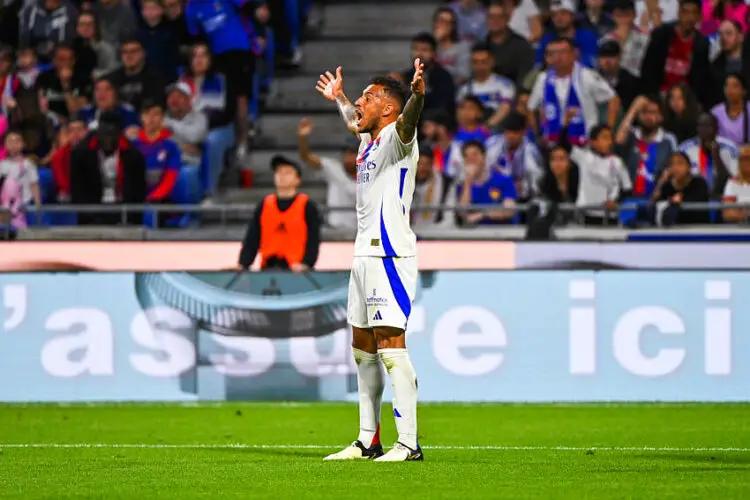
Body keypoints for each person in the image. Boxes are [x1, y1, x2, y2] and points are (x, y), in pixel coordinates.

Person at [315, 60, 424, 461]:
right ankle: (367, 441)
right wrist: (341, 99)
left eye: (368, 97)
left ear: (389, 109)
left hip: (389, 253)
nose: (359, 103)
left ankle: (409, 444)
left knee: (392, 348)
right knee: (363, 350)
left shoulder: (399, 137)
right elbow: (353, 121)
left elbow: (411, 120)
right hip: (362, 254)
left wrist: (418, 95)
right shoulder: (369, 141)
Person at [528, 37, 619, 147]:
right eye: (552, 53)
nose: (557, 57)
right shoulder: (542, 79)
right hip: (553, 147)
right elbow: (531, 108)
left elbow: (613, 99)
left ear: (573, 54)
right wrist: (538, 134)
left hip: (585, 144)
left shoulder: (587, 75)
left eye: (562, 52)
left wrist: (607, 132)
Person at [237, 155, 321, 270]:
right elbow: (252, 238)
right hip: (268, 268)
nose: (281, 176)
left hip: (296, 270)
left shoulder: (307, 206)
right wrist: (243, 264)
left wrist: (307, 264)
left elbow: (313, 239)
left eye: (287, 172)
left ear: (297, 180)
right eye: (278, 172)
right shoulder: (264, 205)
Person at [70, 111, 147, 224]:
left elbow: (138, 193)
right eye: (104, 133)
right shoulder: (80, 154)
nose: (108, 138)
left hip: (123, 211)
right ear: (98, 132)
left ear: (119, 134)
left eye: (111, 134)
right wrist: (91, 217)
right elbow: (78, 192)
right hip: (91, 212)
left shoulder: (134, 156)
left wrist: (129, 218)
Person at [640, 0, 718, 110]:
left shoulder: (701, 44)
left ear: (699, 16)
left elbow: (700, 80)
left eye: (694, 13)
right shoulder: (661, 35)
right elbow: (648, 70)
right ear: (678, 13)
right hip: (659, 95)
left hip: (685, 99)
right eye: (685, 12)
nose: (689, 17)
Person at [560, 109, 632, 225]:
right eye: (604, 138)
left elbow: (627, 188)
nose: (608, 142)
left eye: (610, 138)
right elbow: (563, 143)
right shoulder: (583, 157)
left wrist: (616, 202)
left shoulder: (617, 162)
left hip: (609, 215)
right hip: (586, 213)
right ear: (593, 142)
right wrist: (566, 123)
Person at [297, 117, 357, 230]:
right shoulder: (334, 167)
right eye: (347, 153)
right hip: (333, 229)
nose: (348, 158)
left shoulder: (369, 174)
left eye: (353, 154)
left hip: (356, 232)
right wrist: (302, 137)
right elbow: (306, 156)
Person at [615, 94, 678, 198]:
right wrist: (634, 109)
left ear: (661, 116)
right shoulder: (631, 135)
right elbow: (618, 141)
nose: (648, 117)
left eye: (653, 112)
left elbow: (671, 169)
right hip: (627, 199)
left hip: (655, 200)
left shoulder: (668, 140)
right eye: (644, 112)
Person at [450, 139, 518, 225]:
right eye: (466, 156)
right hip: (472, 234)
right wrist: (468, 181)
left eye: (475, 154)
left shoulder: (504, 180)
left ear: (484, 157)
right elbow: (462, 213)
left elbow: (510, 211)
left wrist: (483, 214)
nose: (471, 159)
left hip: (500, 232)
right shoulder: (461, 185)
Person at [456, 42, 515, 129]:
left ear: (492, 62)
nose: (480, 66)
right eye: (476, 62)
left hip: (497, 129)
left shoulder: (504, 84)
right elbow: (460, 114)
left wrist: (487, 127)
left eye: (484, 62)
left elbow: (505, 107)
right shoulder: (464, 89)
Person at [133, 99, 182, 203]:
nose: (151, 118)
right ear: (141, 117)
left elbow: (171, 177)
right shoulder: (132, 145)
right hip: (136, 199)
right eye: (147, 114)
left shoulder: (171, 146)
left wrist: (154, 198)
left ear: (162, 118)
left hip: (162, 200)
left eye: (155, 114)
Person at [679, 112, 738, 196]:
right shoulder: (685, 149)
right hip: (693, 199)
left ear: (717, 128)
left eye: (708, 126)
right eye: (701, 126)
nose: (704, 130)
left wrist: (717, 157)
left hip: (722, 198)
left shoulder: (730, 148)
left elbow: (732, 181)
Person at [649, 151, 710, 224]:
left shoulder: (699, 183)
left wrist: (676, 202)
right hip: (672, 230)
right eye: (671, 164)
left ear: (689, 167)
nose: (675, 167)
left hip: (698, 228)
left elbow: (695, 207)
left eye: (680, 163)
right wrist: (660, 183)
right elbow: (653, 205)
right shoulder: (666, 186)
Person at [537, 0, 599, 68]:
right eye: (554, 15)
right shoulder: (546, 39)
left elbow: (591, 62)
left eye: (563, 13)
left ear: (573, 16)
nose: (559, 18)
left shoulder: (587, 36)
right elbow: (539, 64)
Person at [484, 2, 534, 85]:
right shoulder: (481, 46)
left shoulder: (521, 45)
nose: (495, 21)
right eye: (491, 17)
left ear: (507, 19)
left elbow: (525, 76)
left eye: (499, 17)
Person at [601, 0, 650, 78]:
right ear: (613, 16)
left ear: (634, 15)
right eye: (619, 15)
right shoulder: (606, 40)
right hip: (615, 82)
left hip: (640, 82)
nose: (623, 19)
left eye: (626, 15)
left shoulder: (646, 37)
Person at [164, 82, 208, 167]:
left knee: (187, 173)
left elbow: (194, 136)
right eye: (171, 96)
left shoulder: (200, 117)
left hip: (189, 163)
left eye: (179, 97)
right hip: (165, 163)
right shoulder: (162, 118)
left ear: (189, 100)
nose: (174, 100)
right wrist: (181, 147)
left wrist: (170, 124)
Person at [50, 113, 87, 202]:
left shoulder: (95, 150)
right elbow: (62, 182)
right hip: (69, 197)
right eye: (72, 130)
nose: (76, 134)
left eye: (79, 129)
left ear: (86, 131)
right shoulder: (59, 156)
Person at [0, 130, 41, 210]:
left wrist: (37, 205)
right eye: (10, 141)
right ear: (5, 145)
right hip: (5, 207)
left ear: (23, 144)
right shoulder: (2, 165)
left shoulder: (28, 164)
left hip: (24, 205)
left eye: (17, 141)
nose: (13, 144)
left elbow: (34, 185)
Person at [432, 7, 472, 84]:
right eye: (441, 21)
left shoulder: (462, 47)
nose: (443, 25)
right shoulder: (430, 45)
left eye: (447, 22)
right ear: (435, 23)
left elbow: (464, 75)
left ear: (453, 26)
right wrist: (435, 43)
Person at [597, 40, 638, 110]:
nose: (607, 60)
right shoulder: (593, 78)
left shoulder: (630, 79)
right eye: (604, 56)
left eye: (611, 56)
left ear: (619, 57)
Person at [711, 73, 750, 146]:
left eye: (734, 86)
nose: (729, 89)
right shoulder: (716, 112)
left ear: (744, 91)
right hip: (723, 153)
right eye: (727, 85)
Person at [722, 144, 750, 222]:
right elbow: (728, 214)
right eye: (743, 159)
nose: (747, 162)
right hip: (741, 227)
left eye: (749, 159)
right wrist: (746, 217)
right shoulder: (733, 183)